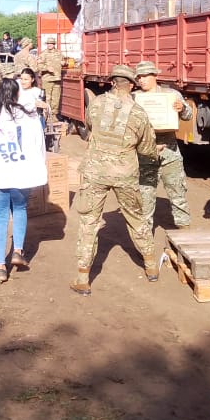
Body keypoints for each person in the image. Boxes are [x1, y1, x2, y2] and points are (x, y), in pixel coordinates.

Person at [71, 65, 159, 296]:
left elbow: (89, 125)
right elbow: (147, 148)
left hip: (95, 171)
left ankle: (82, 278)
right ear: (131, 85)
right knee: (136, 218)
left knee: (89, 222)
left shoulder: (97, 103)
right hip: (125, 173)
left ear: (112, 82)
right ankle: (150, 266)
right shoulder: (138, 112)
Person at [0, 77, 47, 284]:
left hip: (0, 172)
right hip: (22, 173)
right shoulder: (30, 117)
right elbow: (39, 144)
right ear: (17, 94)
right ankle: (17, 251)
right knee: (20, 210)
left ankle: (0, 266)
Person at [134, 60, 193, 231]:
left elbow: (188, 116)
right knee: (145, 198)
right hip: (144, 154)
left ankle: (185, 235)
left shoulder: (171, 94)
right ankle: (145, 242)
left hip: (170, 152)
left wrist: (181, 108)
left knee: (178, 194)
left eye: (145, 76)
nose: (141, 80)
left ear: (155, 76)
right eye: (139, 77)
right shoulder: (134, 98)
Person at [37, 37, 64, 118]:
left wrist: (63, 62)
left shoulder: (59, 53)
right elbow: (39, 65)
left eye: (51, 43)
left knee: (56, 98)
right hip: (47, 79)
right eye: (48, 43)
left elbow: (63, 61)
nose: (49, 45)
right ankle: (46, 116)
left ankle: (54, 115)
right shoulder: (43, 53)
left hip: (57, 78)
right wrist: (47, 68)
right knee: (47, 98)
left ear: (54, 44)